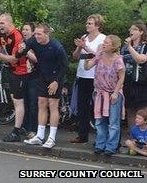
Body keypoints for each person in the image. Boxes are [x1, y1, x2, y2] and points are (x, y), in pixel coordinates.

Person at [20, 24, 68, 149]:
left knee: (53, 105)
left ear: (47, 34)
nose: (36, 36)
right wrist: (21, 49)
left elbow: (65, 66)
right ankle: (40, 136)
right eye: (35, 33)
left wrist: (56, 81)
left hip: (55, 78)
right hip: (42, 76)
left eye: (39, 34)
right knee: (41, 103)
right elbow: (21, 53)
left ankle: (51, 138)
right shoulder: (34, 41)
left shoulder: (57, 47)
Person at [0, 13, 33, 142]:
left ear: (10, 23)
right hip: (12, 71)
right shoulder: (3, 35)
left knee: (18, 102)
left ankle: (17, 131)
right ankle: (21, 127)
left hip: (20, 72)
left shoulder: (17, 36)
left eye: (2, 23)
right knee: (15, 100)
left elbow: (14, 59)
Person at [84, 35, 125, 156]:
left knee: (113, 122)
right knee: (99, 121)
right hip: (100, 93)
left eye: (106, 43)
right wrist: (86, 62)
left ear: (113, 47)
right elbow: (88, 67)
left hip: (113, 93)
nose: (104, 44)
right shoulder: (100, 55)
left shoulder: (118, 60)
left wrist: (116, 93)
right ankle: (100, 144)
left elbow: (122, 77)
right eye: (104, 42)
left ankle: (111, 147)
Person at [70, 14, 106, 144]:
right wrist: (80, 47)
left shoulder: (103, 39)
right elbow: (75, 57)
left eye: (90, 23)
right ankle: (82, 135)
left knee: (98, 108)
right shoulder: (84, 37)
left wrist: (85, 46)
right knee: (82, 107)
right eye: (87, 22)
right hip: (82, 75)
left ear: (97, 26)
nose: (87, 25)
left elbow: (100, 56)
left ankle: (100, 138)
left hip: (95, 77)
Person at [121, 21, 147, 130]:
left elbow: (141, 59)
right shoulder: (124, 48)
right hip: (128, 83)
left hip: (142, 84)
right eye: (130, 29)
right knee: (131, 112)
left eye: (134, 29)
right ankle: (134, 139)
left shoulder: (145, 46)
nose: (130, 31)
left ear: (141, 32)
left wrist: (130, 47)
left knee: (143, 112)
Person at [20, 22, 39, 138]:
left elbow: (36, 59)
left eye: (27, 30)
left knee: (33, 103)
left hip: (34, 76)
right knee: (24, 102)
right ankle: (25, 127)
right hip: (22, 76)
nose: (24, 32)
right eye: (23, 29)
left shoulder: (35, 44)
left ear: (32, 32)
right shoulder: (21, 43)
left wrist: (25, 50)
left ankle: (34, 129)